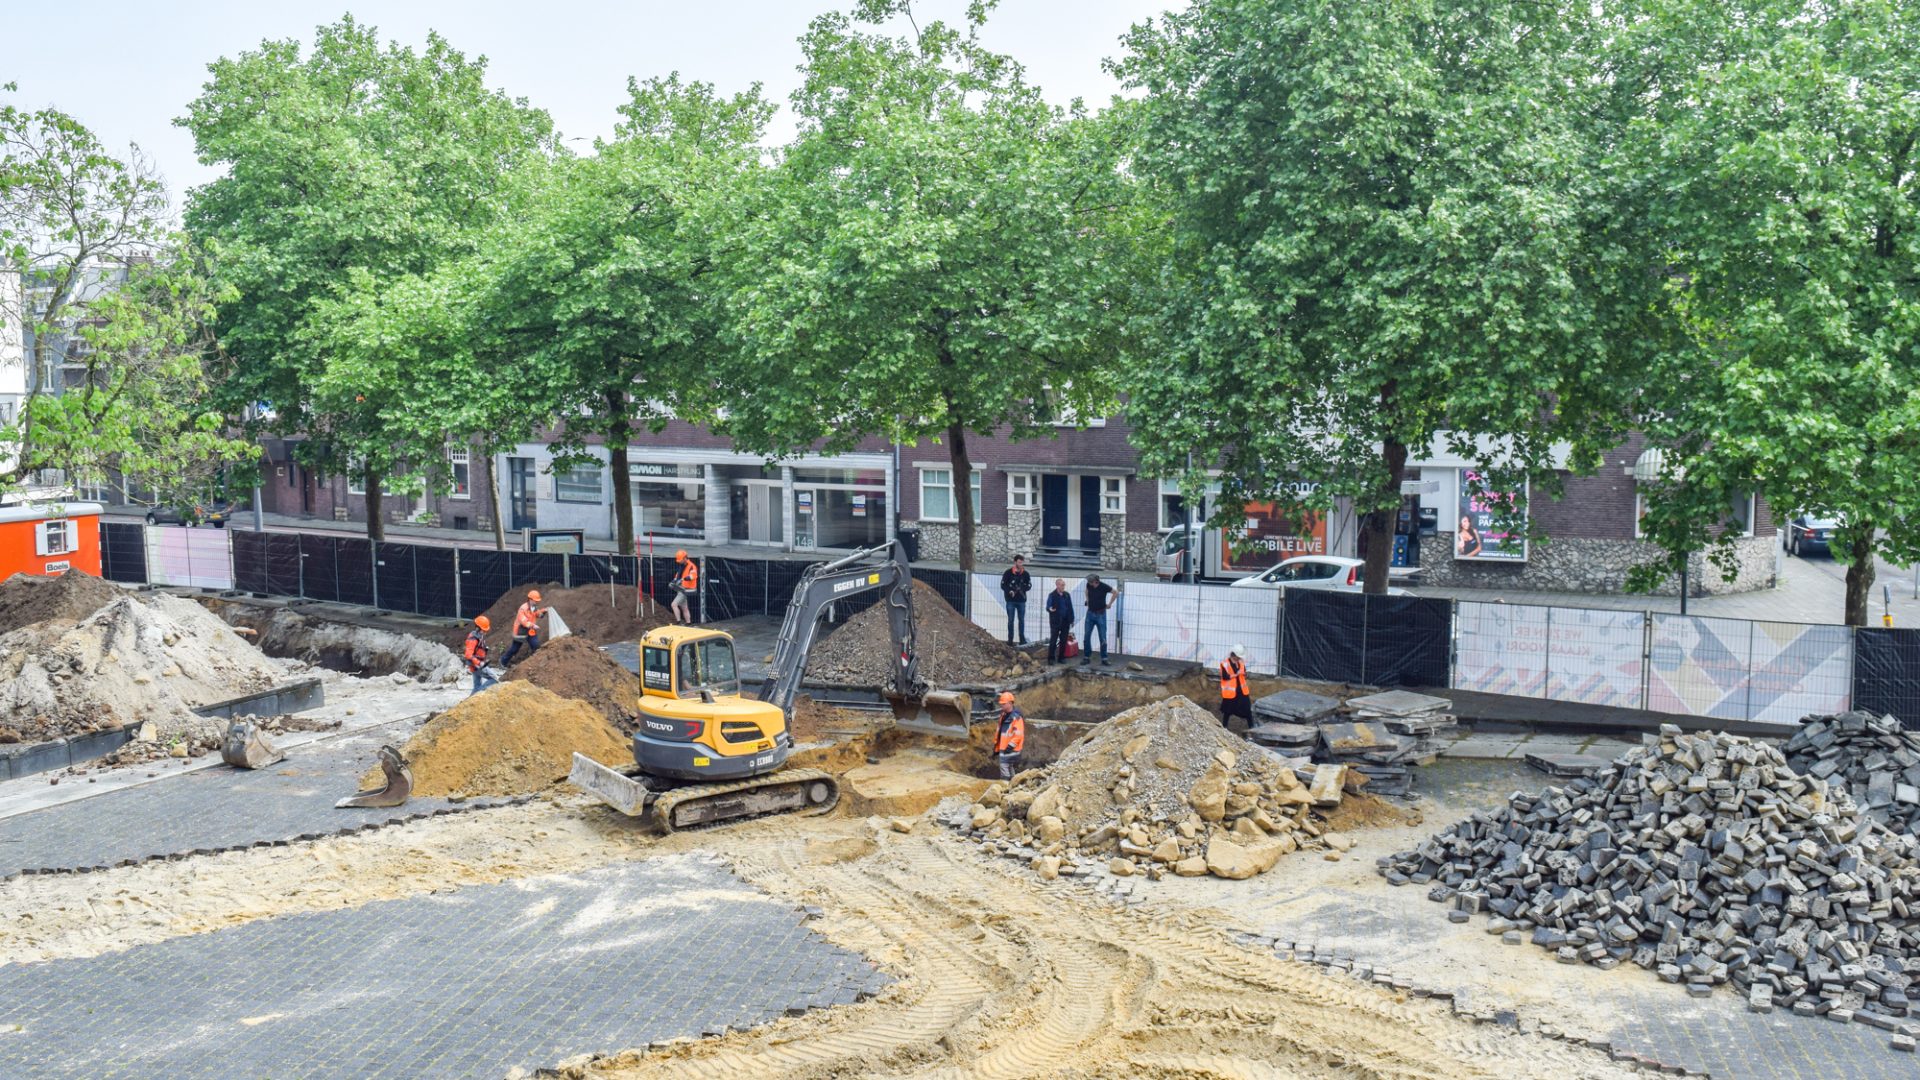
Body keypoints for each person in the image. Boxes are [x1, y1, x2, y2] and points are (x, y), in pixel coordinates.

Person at [499, 589, 545, 667]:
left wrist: (542, 613)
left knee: (536, 646)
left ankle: (536, 665)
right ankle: (503, 661)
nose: (537, 602)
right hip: (520, 631)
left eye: (537, 601)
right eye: (535, 600)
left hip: (530, 630)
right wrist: (533, 625)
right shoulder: (523, 608)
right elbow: (523, 620)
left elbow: (536, 614)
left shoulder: (534, 607)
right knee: (514, 649)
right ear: (530, 599)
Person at [1081, 572, 1119, 667]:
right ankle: (1086, 657)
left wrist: (1110, 604)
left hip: (1101, 614)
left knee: (1102, 637)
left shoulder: (1103, 586)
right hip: (1090, 613)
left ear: (1095, 582)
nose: (1089, 583)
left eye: (1090, 582)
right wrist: (1088, 600)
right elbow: (1086, 591)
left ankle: (1104, 658)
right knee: (1086, 636)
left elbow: (1116, 592)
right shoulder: (1088, 585)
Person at [992, 691, 1026, 780]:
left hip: (1010, 748)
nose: (1001, 706)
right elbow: (1000, 732)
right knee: (1009, 767)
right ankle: (1013, 784)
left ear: (1010, 703)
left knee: (1004, 767)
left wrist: (1010, 747)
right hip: (1005, 747)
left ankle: (1005, 784)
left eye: (1004, 704)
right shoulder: (1004, 715)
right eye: (1001, 704)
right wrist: (997, 747)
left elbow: (1019, 734)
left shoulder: (1016, 717)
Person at [999, 555, 1032, 645]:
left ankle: (1022, 639)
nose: (1021, 564)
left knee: (1021, 620)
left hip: (1021, 601)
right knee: (1010, 621)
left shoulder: (1025, 574)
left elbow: (1029, 586)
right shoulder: (1008, 573)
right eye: (1019, 562)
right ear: (1015, 562)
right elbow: (1003, 585)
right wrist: (1009, 591)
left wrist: (1020, 589)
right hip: (1010, 601)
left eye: (1022, 562)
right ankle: (1010, 640)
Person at [1218, 644, 1252, 730]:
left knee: (1248, 710)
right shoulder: (1224, 664)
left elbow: (1244, 673)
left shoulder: (1241, 663)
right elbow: (1225, 677)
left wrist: (1244, 674)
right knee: (1227, 711)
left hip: (1242, 691)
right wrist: (1236, 674)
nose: (1240, 658)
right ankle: (1224, 728)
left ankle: (1252, 728)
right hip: (1230, 693)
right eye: (1238, 656)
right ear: (1234, 655)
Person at [1044, 578, 1076, 664]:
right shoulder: (1052, 595)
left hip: (1065, 622)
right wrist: (1050, 609)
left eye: (1064, 585)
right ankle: (1051, 658)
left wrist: (1072, 619)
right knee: (1053, 640)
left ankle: (1061, 657)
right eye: (1062, 585)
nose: (1063, 586)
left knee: (1063, 640)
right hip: (1055, 622)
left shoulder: (1067, 595)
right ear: (1057, 585)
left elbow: (1070, 608)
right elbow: (1048, 606)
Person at [464, 615, 497, 696]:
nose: (485, 632)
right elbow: (468, 654)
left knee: (477, 686)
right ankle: (477, 696)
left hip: (476, 665)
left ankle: (469, 702)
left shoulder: (479, 635)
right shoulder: (473, 639)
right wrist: (479, 663)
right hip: (476, 665)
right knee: (494, 679)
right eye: (483, 630)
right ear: (477, 628)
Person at [671, 549, 699, 624]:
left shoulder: (692, 566)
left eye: (680, 560)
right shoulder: (682, 565)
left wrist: (683, 579)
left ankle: (678, 622)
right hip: (682, 588)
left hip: (687, 589)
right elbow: (678, 575)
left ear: (684, 558)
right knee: (684, 608)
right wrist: (674, 580)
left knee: (674, 604)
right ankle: (688, 622)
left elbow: (693, 576)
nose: (679, 561)